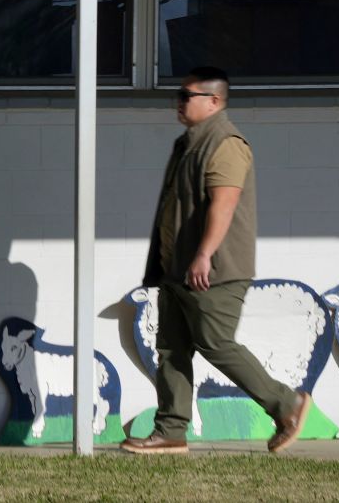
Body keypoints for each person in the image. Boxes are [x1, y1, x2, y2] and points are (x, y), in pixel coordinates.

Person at [121, 66, 310, 455]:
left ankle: (287, 405)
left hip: (213, 270)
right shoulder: (186, 143)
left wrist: (204, 254)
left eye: (186, 95)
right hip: (178, 269)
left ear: (213, 101)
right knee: (171, 348)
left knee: (215, 342)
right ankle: (170, 431)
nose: (178, 101)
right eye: (178, 94)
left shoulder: (225, 142)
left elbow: (224, 202)